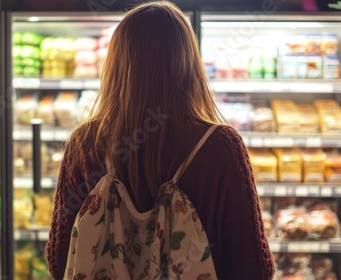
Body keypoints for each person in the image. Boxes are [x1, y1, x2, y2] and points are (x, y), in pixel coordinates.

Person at [45, 1, 275, 279]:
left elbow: (60, 259)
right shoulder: (220, 146)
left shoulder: (84, 145)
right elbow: (254, 267)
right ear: (188, 63)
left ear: (117, 64)